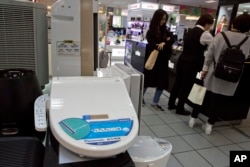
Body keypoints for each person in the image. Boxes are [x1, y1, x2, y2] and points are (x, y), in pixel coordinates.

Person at [189, 14, 250, 135]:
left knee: (203, 96)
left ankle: (193, 119)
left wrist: (205, 69)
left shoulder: (220, 36)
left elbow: (209, 55)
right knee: (219, 101)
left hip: (214, 72)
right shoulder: (248, 40)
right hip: (232, 75)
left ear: (234, 23)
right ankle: (209, 126)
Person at [168, 14, 214, 115]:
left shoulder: (190, 31)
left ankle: (171, 104)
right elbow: (214, 47)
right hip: (192, 63)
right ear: (206, 24)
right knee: (187, 86)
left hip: (182, 60)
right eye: (210, 25)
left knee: (178, 83)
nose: (209, 27)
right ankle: (180, 109)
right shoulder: (205, 34)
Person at [143, 9, 175, 111]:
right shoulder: (151, 32)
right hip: (153, 60)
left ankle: (155, 102)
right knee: (147, 81)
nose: (163, 21)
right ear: (156, 19)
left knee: (162, 83)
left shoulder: (165, 30)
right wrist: (165, 41)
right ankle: (140, 98)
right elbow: (154, 46)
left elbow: (172, 39)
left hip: (163, 62)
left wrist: (164, 43)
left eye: (165, 19)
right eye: (161, 19)